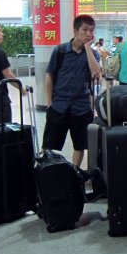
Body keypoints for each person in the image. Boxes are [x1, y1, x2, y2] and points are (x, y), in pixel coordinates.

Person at [42, 15, 102, 166]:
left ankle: (75, 173)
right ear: (75, 31)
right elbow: (49, 77)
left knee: (80, 145)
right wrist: (49, 104)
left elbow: (96, 73)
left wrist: (88, 48)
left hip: (81, 106)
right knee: (48, 145)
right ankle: (48, 173)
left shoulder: (93, 54)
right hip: (59, 105)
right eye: (85, 30)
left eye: (92, 30)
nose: (89, 34)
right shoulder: (60, 51)